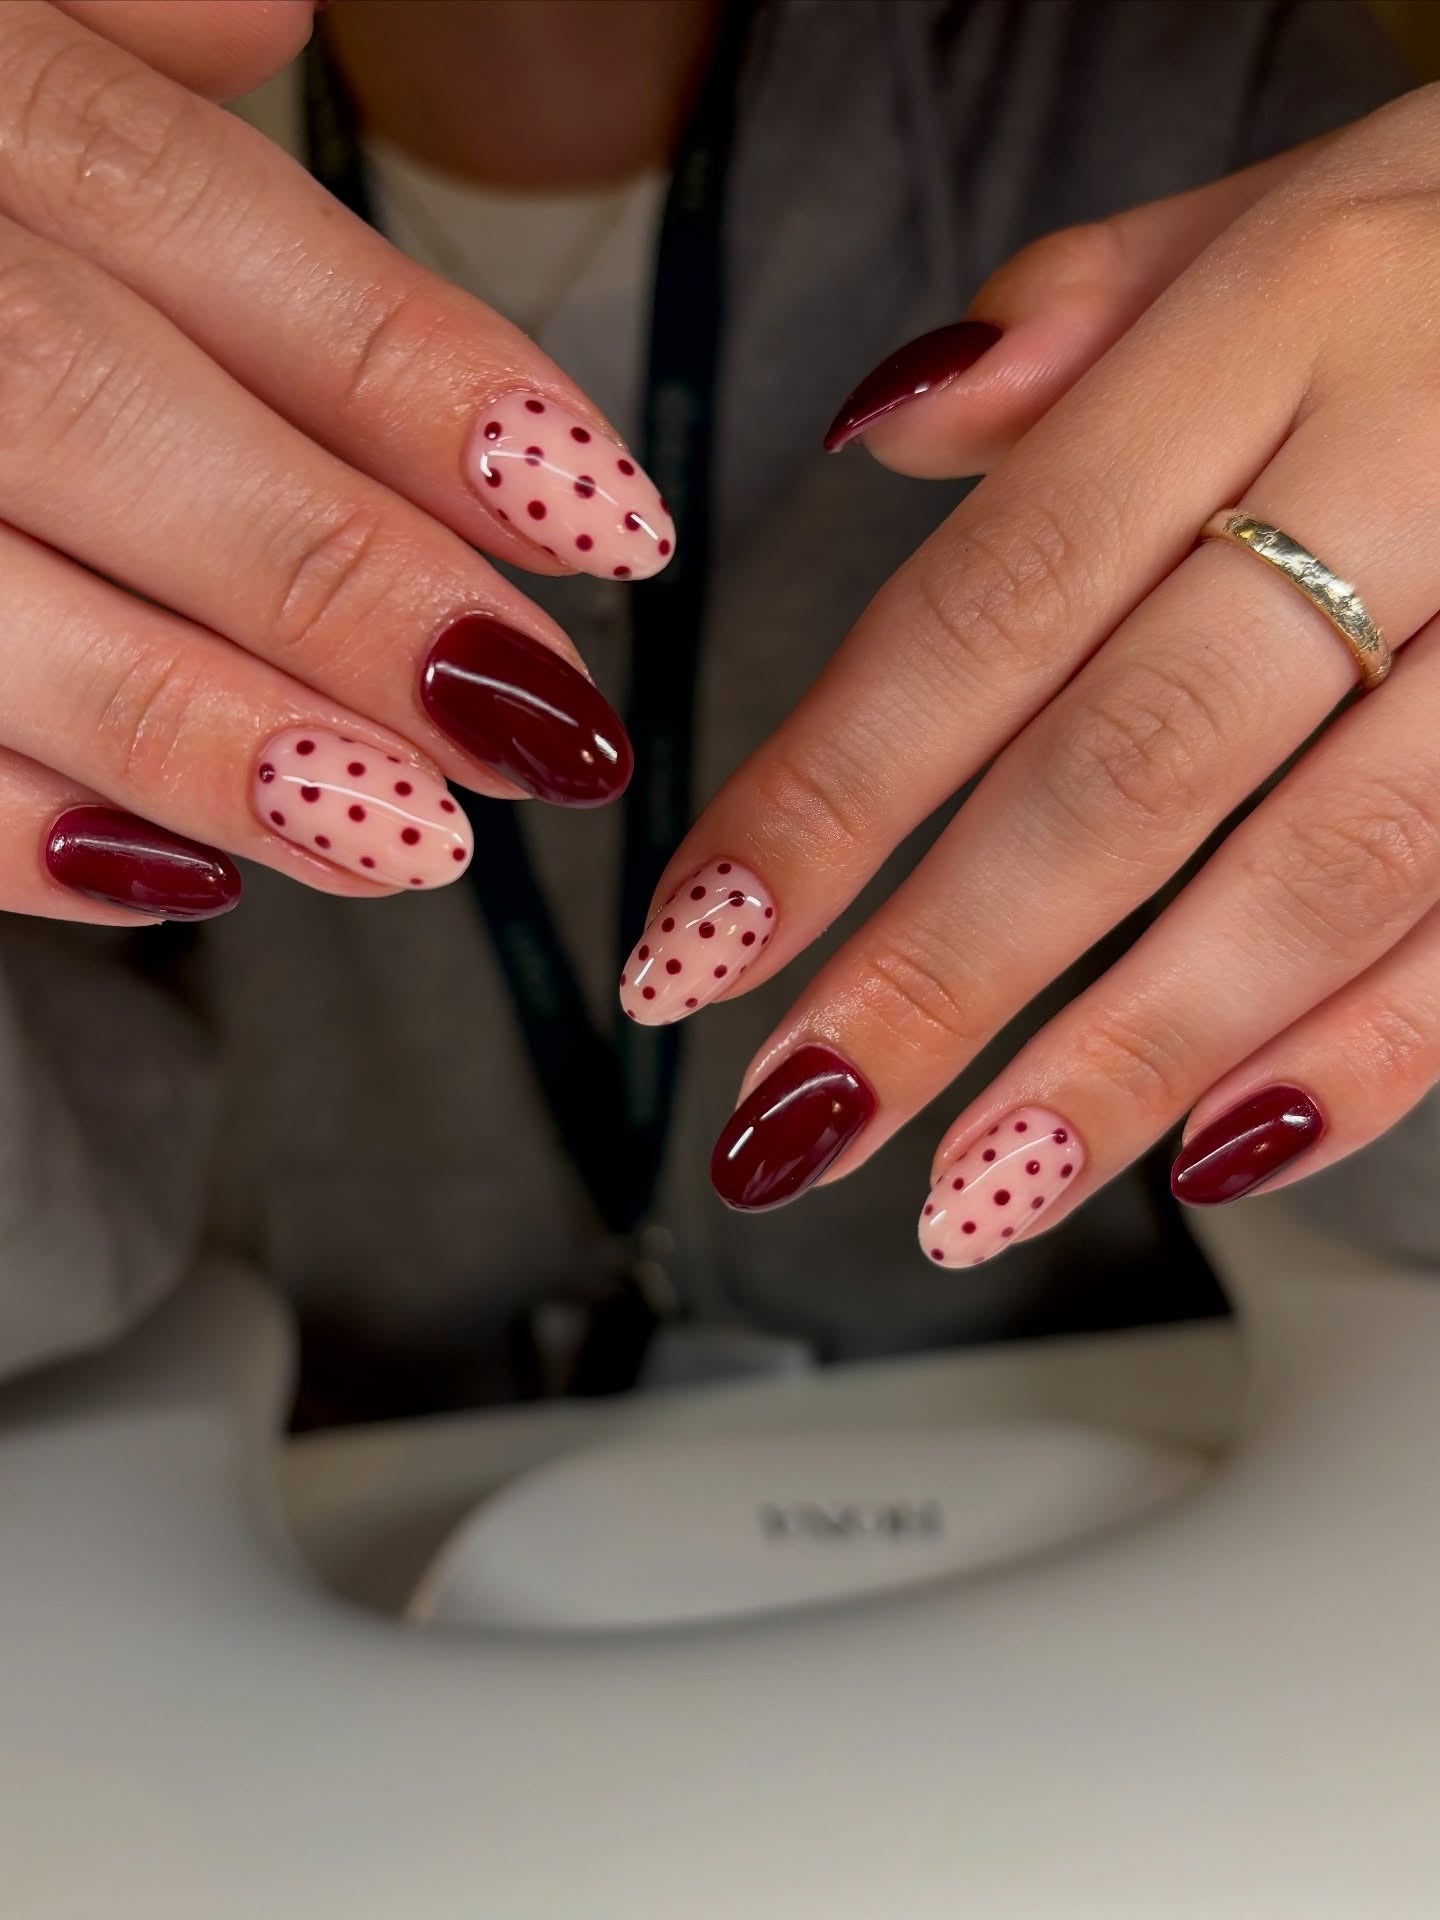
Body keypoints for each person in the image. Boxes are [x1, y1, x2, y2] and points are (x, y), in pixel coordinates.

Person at [0, 0, 1428, 1416]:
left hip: (1108, 1487)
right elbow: (43, 1279)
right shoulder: (50, 207)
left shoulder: (1232, 108)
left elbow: (1405, 1205)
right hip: (310, 1546)